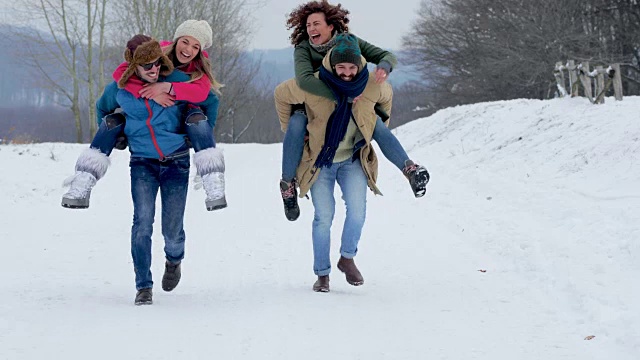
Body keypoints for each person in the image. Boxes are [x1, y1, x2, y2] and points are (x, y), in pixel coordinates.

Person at [275, 34, 424, 292]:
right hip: (320, 162)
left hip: (352, 160)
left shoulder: (371, 85)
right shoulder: (313, 84)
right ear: (332, 65)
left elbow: (387, 98)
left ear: (360, 66)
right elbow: (280, 94)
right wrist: (294, 131)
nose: (346, 73)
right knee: (324, 217)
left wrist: (372, 128)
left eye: (352, 68)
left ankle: (347, 257)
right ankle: (322, 274)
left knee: (357, 211)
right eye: (341, 68)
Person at [278, 0, 429, 222]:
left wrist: (384, 67)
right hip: (313, 104)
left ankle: (410, 170)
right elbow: (304, 80)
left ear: (331, 26)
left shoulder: (348, 42)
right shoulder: (303, 48)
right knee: (296, 123)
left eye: (316, 23)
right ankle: (287, 186)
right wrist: (340, 96)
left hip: (350, 101)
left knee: (373, 122)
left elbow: (387, 56)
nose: (311, 29)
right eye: (308, 24)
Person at [61, 20, 226, 212]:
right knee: (112, 121)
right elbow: (121, 74)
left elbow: (207, 97)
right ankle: (83, 180)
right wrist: (150, 91)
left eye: (196, 46)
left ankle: (213, 179)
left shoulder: (193, 71)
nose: (188, 49)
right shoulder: (156, 55)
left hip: (180, 125)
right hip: (143, 143)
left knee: (197, 118)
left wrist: (202, 134)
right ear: (177, 39)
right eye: (185, 41)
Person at [94, 35, 198, 305]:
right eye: (146, 66)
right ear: (134, 67)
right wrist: (116, 134)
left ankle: (174, 260)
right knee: (142, 223)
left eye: (156, 63)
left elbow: (204, 98)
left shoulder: (176, 79)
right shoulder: (119, 89)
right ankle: (143, 286)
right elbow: (102, 109)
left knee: (172, 229)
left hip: (176, 161)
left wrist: (196, 131)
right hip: (142, 162)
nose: (153, 69)